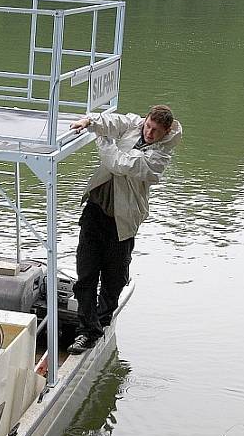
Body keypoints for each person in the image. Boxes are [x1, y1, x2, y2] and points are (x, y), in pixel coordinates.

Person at [67, 105, 182, 355]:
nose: (149, 133)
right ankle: (86, 331)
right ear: (146, 120)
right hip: (95, 211)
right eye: (148, 126)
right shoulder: (134, 124)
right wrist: (90, 122)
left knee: (114, 278)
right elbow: (113, 121)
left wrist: (103, 142)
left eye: (156, 131)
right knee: (86, 275)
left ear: (166, 133)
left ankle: (103, 320)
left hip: (123, 220)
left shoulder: (159, 158)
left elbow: (120, 164)